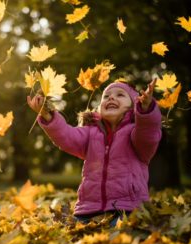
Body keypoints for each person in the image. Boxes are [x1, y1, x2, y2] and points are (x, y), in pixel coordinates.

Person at [27, 79, 162, 226]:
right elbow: (66, 136)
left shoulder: (136, 133)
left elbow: (148, 133)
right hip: (89, 209)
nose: (111, 97)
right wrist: (48, 115)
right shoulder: (90, 132)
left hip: (127, 208)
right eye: (106, 96)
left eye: (120, 95)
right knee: (75, 234)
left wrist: (146, 111)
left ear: (132, 107)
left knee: (117, 233)